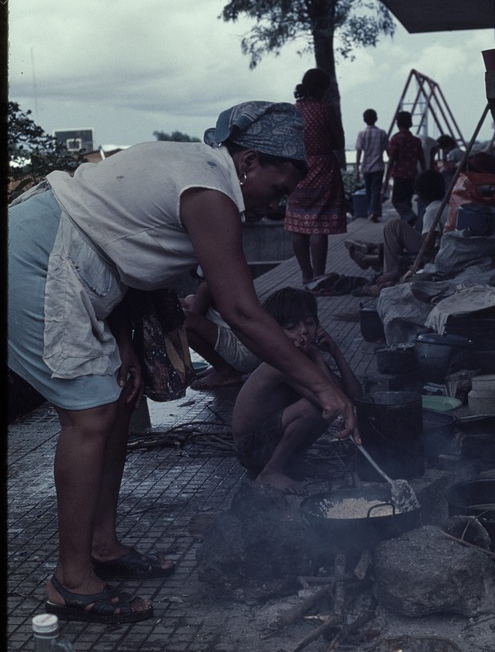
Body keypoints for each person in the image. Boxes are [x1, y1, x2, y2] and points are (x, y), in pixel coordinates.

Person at [8, 100, 360, 625]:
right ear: (248, 163)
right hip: (35, 259)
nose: (276, 205)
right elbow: (242, 311)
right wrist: (325, 390)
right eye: (279, 189)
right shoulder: (210, 191)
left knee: (120, 402)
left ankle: (102, 546)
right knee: (91, 416)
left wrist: (126, 347)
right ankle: (71, 582)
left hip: (80, 266)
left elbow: (121, 243)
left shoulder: (204, 174)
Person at [231, 287, 362, 491]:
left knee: (325, 406)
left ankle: (294, 462)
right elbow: (329, 401)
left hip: (269, 441)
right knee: (312, 408)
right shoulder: (280, 364)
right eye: (292, 327)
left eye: (309, 323)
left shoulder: (306, 359)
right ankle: (270, 472)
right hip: (251, 449)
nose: (303, 331)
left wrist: (334, 352)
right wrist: (319, 358)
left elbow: (352, 397)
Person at [284, 68, 347, 288]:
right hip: (323, 169)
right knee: (318, 226)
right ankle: (318, 278)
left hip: (297, 170)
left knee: (298, 225)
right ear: (322, 90)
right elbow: (339, 142)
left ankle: (305, 275)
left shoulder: (293, 112)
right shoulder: (325, 111)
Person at [351, 170, 448, 296]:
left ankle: (388, 276)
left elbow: (426, 249)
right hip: (439, 250)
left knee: (394, 226)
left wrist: (398, 271)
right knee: (394, 240)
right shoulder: (445, 206)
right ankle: (372, 257)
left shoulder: (433, 211)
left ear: (419, 194)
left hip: (435, 255)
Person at [181, 277, 260, 390]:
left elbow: (193, 316)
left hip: (246, 356)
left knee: (182, 320)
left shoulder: (208, 284)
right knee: (189, 301)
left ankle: (225, 372)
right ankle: (221, 366)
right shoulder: (224, 277)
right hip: (254, 351)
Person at [382, 110, 426, 224]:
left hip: (399, 175)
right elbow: (422, 160)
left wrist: (386, 179)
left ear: (397, 123)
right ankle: (407, 225)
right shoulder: (416, 140)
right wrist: (424, 175)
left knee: (397, 201)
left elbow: (391, 159)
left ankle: (410, 217)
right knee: (407, 201)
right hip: (412, 174)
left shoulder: (396, 139)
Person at [355, 108, 389, 221]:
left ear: (364, 120)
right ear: (376, 119)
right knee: (375, 190)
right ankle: (374, 212)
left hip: (366, 166)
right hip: (378, 166)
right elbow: (388, 150)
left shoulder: (362, 134)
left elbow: (359, 151)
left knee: (369, 190)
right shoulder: (382, 133)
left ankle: (371, 211)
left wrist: (357, 169)